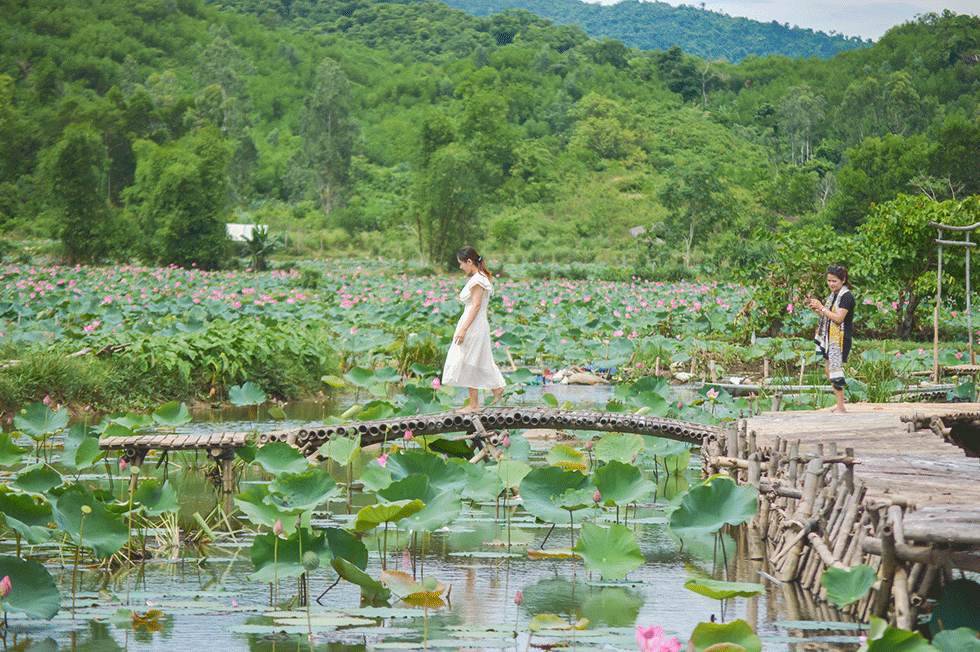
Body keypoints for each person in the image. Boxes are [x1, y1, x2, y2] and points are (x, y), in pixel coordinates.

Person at [441, 246, 506, 412]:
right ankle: (496, 388)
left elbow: (476, 306)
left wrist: (463, 329)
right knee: (477, 359)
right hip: (476, 322)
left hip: (474, 323)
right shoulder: (481, 277)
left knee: (470, 361)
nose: (460, 267)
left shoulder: (478, 280)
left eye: (461, 263)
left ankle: (474, 404)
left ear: (469, 262)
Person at [808, 264, 855, 413]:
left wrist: (822, 308)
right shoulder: (834, 296)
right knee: (830, 372)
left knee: (835, 372)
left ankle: (841, 406)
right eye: (829, 281)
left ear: (843, 280)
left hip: (841, 339)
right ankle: (840, 405)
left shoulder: (846, 297)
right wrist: (819, 311)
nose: (831, 284)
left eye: (834, 281)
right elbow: (829, 318)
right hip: (831, 338)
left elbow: (839, 318)